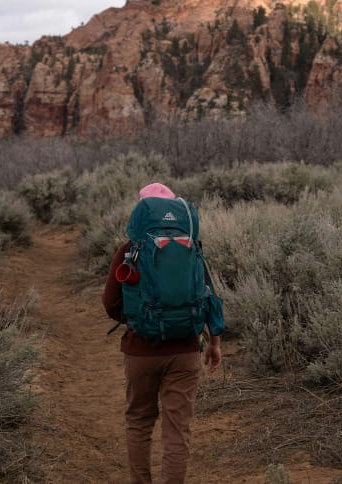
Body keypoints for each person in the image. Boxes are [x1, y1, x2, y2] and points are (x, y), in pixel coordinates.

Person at [103, 182, 223, 484]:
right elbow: (209, 296)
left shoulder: (130, 250)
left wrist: (138, 319)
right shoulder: (192, 246)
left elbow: (110, 303)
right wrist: (215, 342)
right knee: (177, 429)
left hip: (140, 349)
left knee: (140, 421)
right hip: (185, 350)